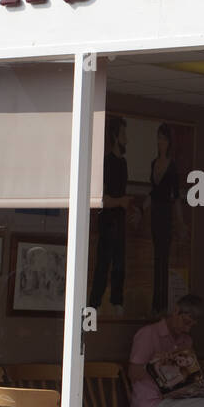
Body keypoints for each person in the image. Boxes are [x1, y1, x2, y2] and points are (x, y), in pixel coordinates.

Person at [89, 115, 133, 315]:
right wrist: (119, 202)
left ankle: (117, 299)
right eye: (123, 133)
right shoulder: (106, 162)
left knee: (119, 262)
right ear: (115, 136)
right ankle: (95, 303)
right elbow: (100, 197)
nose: (126, 138)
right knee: (104, 262)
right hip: (108, 221)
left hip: (120, 219)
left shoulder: (123, 163)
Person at [147, 123, 183, 315]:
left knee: (163, 259)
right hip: (155, 212)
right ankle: (156, 303)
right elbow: (152, 192)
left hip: (166, 215)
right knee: (156, 257)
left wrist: (180, 223)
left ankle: (162, 305)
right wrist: (141, 210)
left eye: (164, 139)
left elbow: (175, 196)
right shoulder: (154, 163)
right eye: (159, 138)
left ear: (169, 142)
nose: (160, 142)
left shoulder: (172, 166)